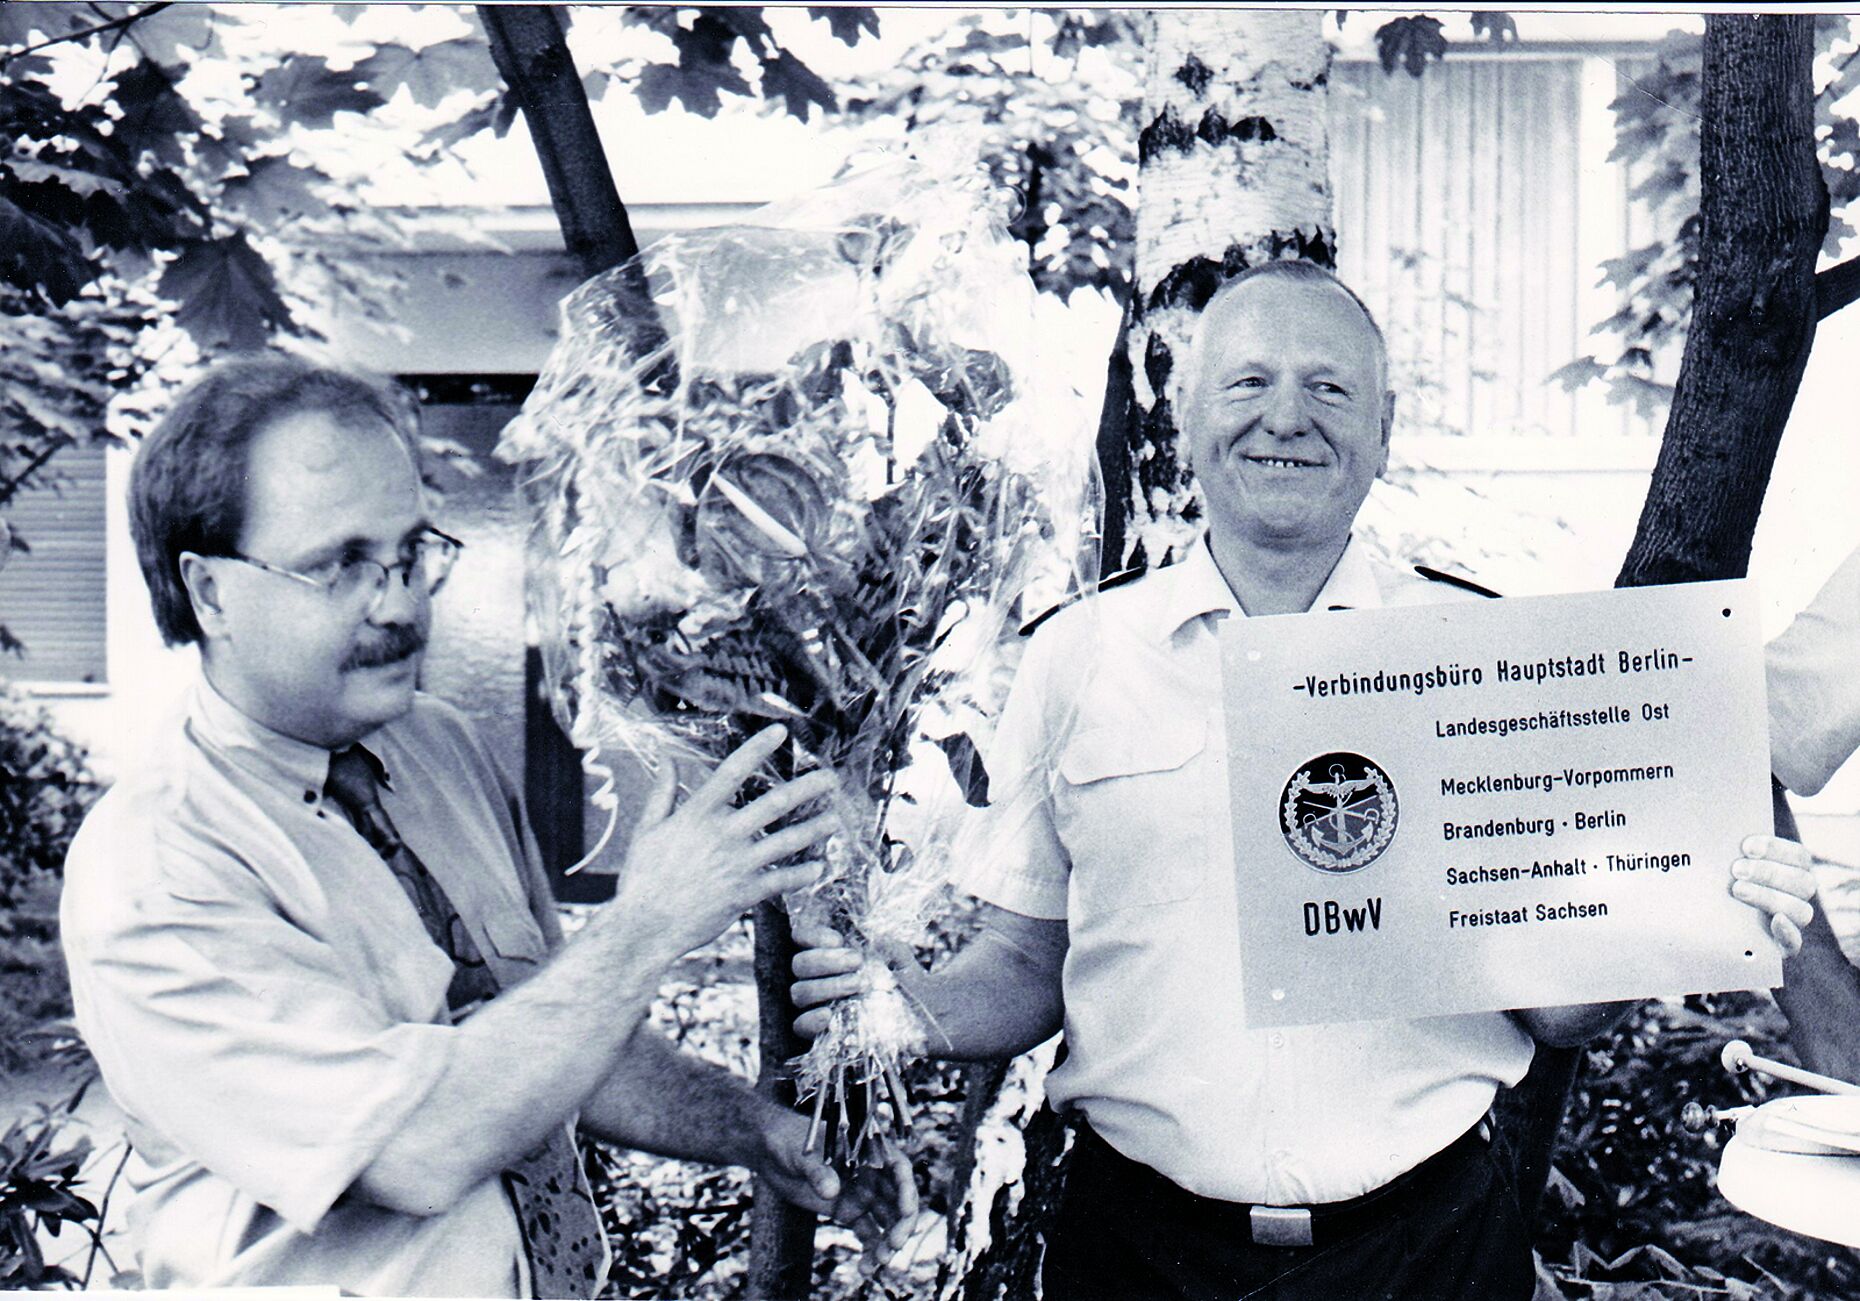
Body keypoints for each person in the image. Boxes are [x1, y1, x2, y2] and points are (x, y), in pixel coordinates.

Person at [790, 260, 1818, 1299]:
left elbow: (1559, 1015)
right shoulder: (1078, 657)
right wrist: (898, 1008)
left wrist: (1671, 907)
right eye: (1247, 384)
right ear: (1184, 416)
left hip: (1430, 1248)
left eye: (1329, 389)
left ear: (1383, 430)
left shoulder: (1486, 663)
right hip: (1142, 1252)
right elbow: (1024, 959)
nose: (1287, 417)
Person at [60, 355, 914, 1297]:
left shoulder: (438, 748)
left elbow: (548, 1037)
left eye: (411, 551)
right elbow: (418, 1149)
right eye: (341, 564)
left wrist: (762, 1134)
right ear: (209, 590)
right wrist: (650, 921)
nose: (401, 604)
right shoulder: (155, 867)